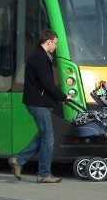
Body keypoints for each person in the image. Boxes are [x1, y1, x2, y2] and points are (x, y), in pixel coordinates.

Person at [8, 29, 70, 183]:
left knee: (43, 136)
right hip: (38, 103)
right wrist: (63, 96)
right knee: (48, 138)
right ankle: (43, 174)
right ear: (48, 42)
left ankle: (19, 160)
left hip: (37, 101)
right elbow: (47, 83)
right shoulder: (40, 58)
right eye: (55, 43)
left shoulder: (39, 56)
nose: (56, 46)